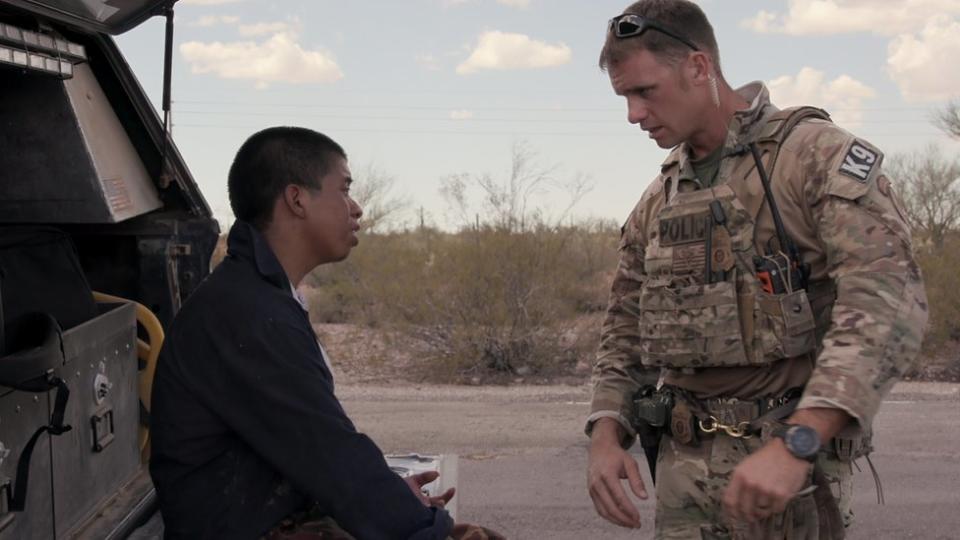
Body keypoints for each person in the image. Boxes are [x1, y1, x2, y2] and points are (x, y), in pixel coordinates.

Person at [584, 1, 928, 539]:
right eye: (624, 96)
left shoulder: (812, 158)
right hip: (683, 480)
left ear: (699, 68)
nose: (633, 114)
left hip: (789, 479)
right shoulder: (660, 197)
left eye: (644, 91)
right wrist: (607, 434)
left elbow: (887, 306)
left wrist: (800, 440)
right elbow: (623, 331)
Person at [150, 127, 501, 540]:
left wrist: (396, 498)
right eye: (344, 189)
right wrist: (425, 527)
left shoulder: (260, 295)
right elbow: (329, 451)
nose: (356, 208)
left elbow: (316, 450)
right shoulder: (249, 313)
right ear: (297, 199)